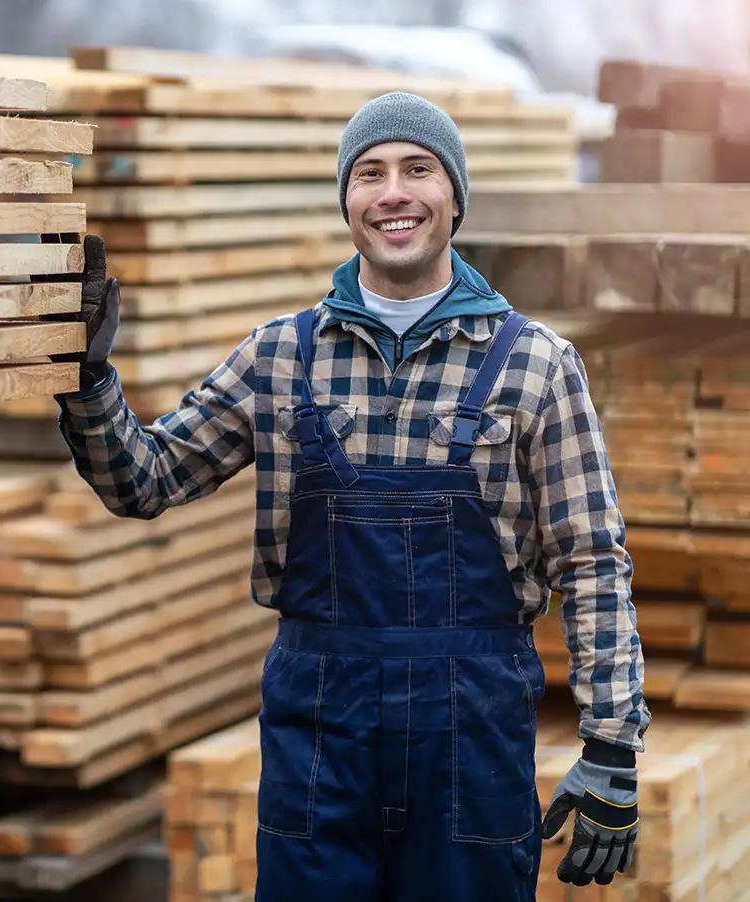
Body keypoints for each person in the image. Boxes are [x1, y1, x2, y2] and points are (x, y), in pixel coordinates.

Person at [53, 92, 649, 899]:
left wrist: (611, 745)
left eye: (418, 169)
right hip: (319, 736)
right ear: (347, 200)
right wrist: (84, 379)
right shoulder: (279, 356)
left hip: (466, 742)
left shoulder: (536, 363)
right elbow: (145, 479)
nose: (392, 192)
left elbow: (589, 562)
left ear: (453, 196)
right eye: (369, 173)